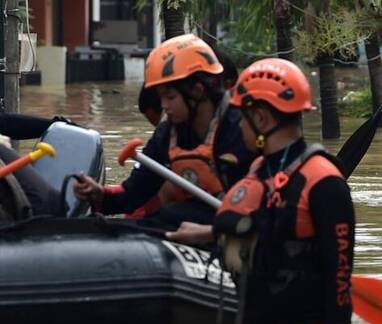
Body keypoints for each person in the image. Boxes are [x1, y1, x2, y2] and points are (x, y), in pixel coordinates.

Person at [166, 59, 355, 324]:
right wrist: (209, 232)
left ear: (261, 119)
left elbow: (340, 274)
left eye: (242, 118)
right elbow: (265, 230)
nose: (239, 126)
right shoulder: (259, 169)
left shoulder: (324, 182)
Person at [74, 34, 254, 227]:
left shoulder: (241, 127)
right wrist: (100, 194)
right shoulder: (167, 133)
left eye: (170, 97)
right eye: (161, 97)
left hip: (240, 224)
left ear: (197, 91)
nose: (164, 106)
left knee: (173, 213)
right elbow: (134, 193)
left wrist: (213, 232)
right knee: (169, 215)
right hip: (193, 218)